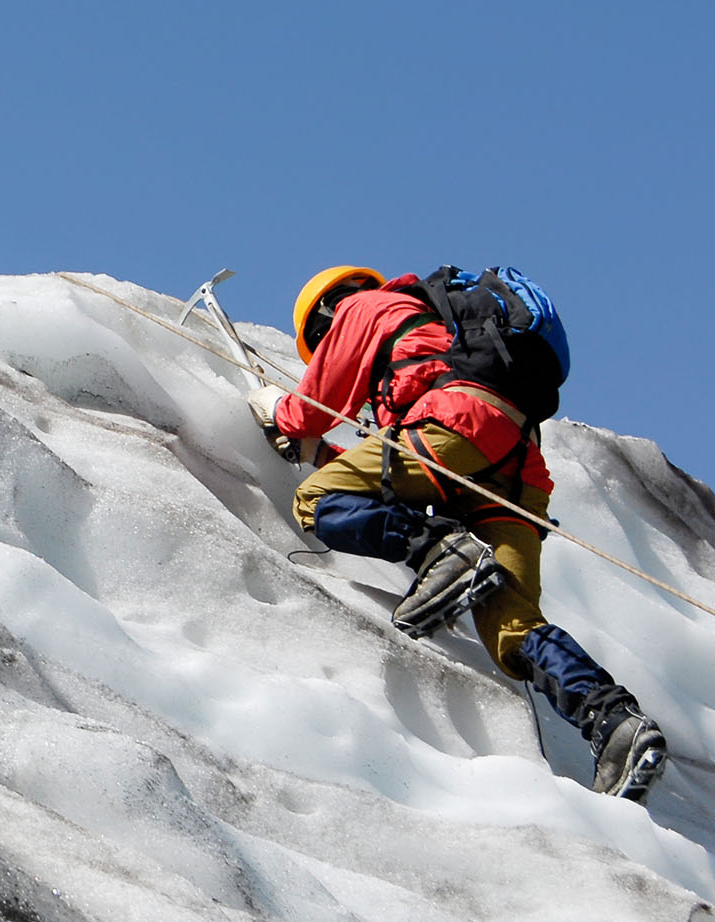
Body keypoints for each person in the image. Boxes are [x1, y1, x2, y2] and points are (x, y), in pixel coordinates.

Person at [247, 266, 668, 803]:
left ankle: (444, 555)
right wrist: (323, 455)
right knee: (511, 626)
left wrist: (277, 414)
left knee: (316, 501)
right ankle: (615, 723)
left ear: (326, 312)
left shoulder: (365, 308)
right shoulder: (443, 336)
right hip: (515, 469)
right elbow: (397, 474)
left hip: (456, 428)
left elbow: (309, 412)